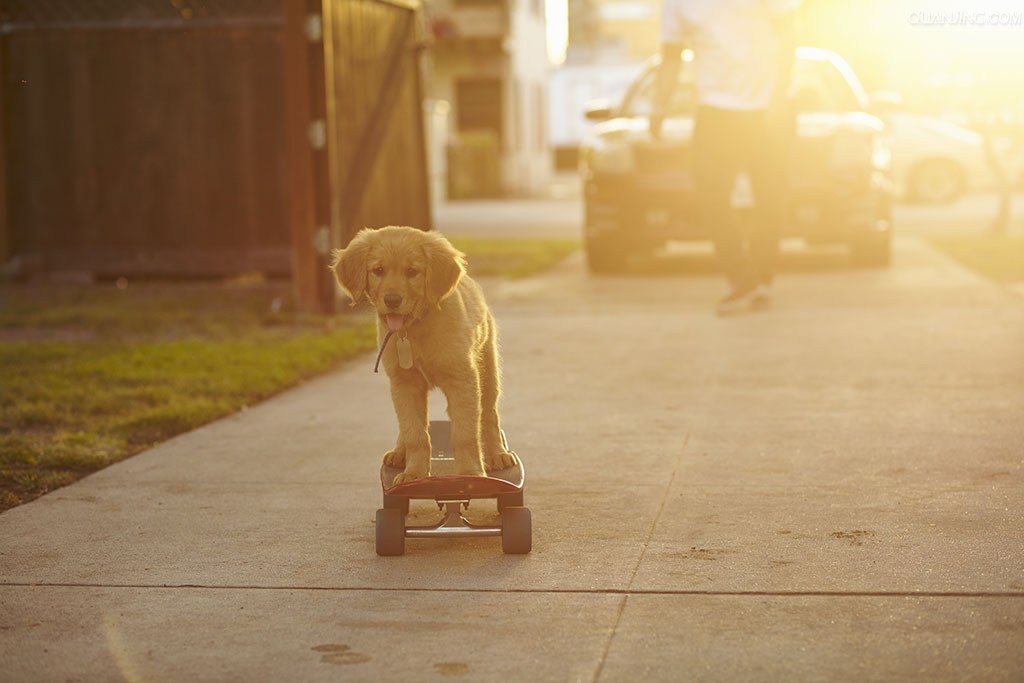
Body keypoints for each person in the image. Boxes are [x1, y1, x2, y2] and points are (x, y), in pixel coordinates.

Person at [651, 0, 800, 314]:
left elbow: (790, 29)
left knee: (771, 196)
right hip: (715, 110)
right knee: (710, 192)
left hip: (767, 108)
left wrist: (780, 94)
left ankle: (760, 277)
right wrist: (658, 107)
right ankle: (743, 280)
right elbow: (671, 56)